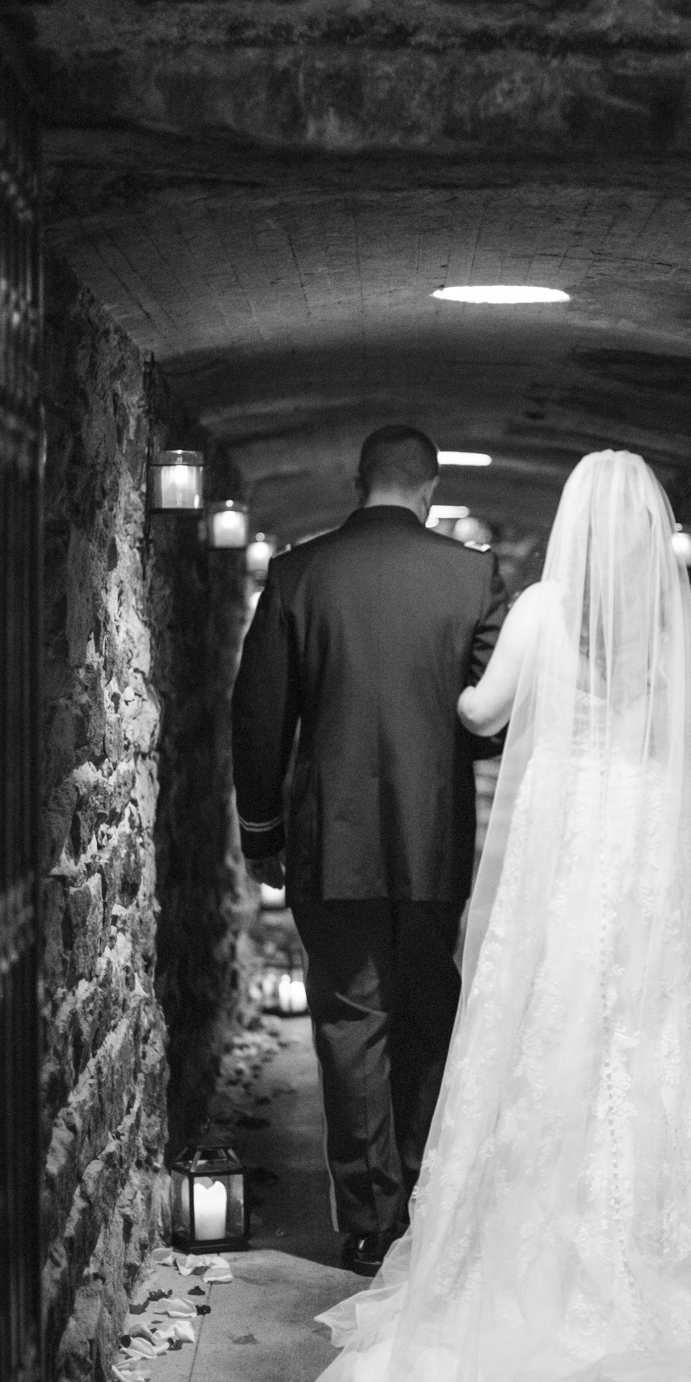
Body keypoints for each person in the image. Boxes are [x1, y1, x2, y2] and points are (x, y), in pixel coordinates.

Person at [285, 449, 691, 1382]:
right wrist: (650, 752)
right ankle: (674, 1273)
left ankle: (531, 1270)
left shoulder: (541, 611)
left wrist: (476, 695)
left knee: (547, 1034)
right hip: (652, 848)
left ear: (573, 525)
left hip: (564, 852)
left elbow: (480, 717)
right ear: (653, 524)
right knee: (661, 1029)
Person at [231, 425, 507, 1276]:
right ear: (428, 487)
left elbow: (260, 712)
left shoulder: (299, 574)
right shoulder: (471, 575)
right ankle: (426, 1203)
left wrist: (262, 829)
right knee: (426, 1013)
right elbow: (489, 721)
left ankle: (367, 1222)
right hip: (433, 839)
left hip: (331, 838)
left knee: (352, 1021)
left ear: (360, 481)